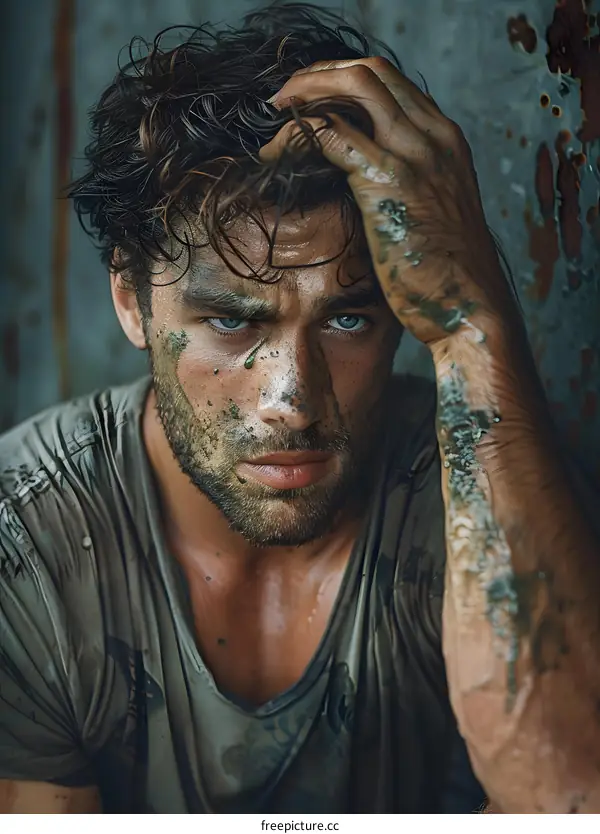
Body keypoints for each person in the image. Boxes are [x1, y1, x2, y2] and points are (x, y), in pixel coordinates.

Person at [0, 2, 599, 815]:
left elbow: (568, 801)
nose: (291, 398)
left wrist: (474, 325)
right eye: (231, 320)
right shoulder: (28, 539)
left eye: (347, 318)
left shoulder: (473, 498)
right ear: (131, 303)